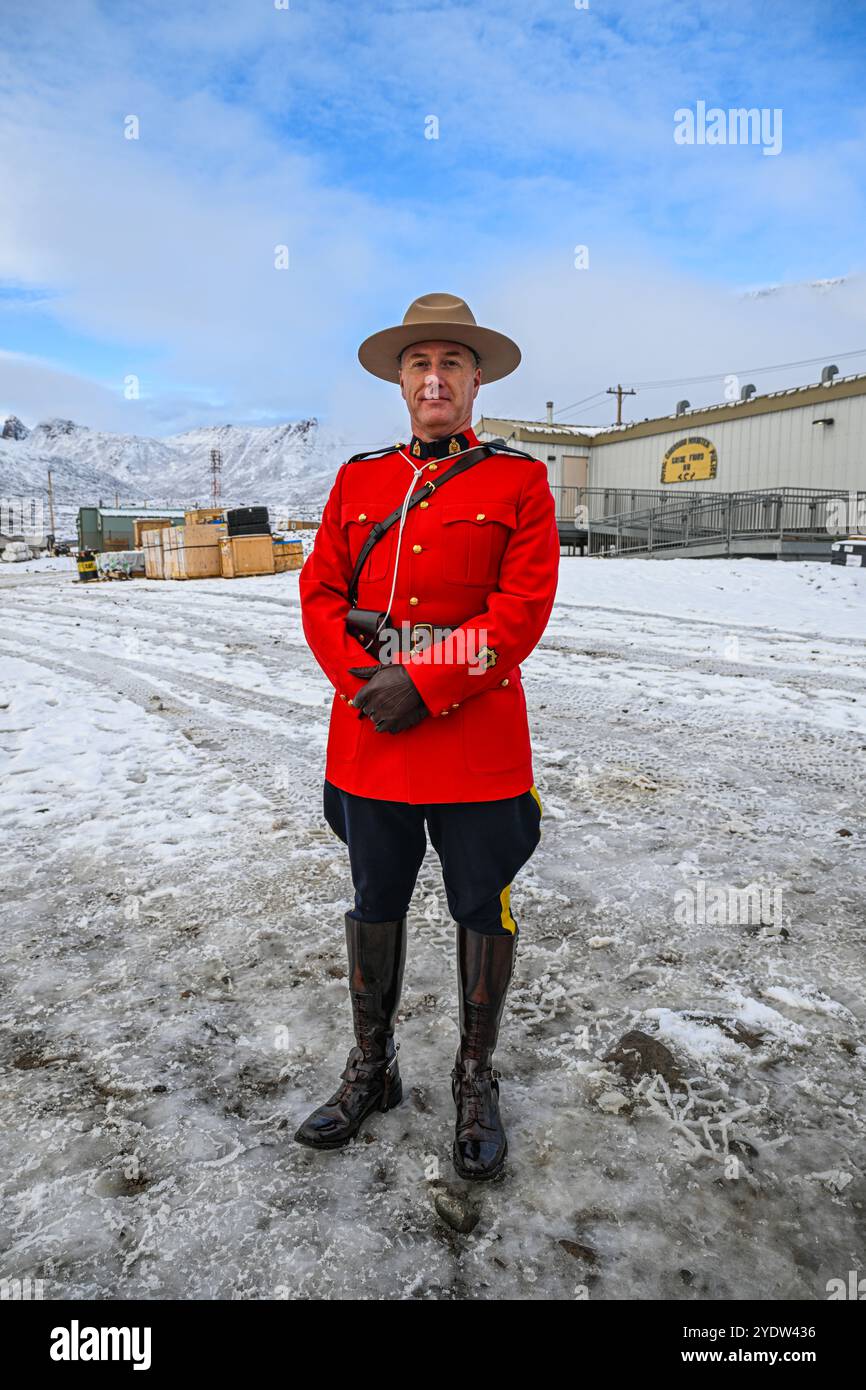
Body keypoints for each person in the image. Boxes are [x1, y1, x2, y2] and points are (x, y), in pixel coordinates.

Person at [295, 292, 560, 1180]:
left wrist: (428, 682)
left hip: (477, 745)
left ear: (476, 380)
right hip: (372, 737)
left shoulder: (518, 481)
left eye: (452, 363)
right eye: (420, 364)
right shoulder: (358, 479)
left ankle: (475, 1078)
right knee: (374, 905)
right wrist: (366, 683)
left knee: (481, 908)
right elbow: (320, 595)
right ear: (401, 381)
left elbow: (519, 612)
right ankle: (373, 1069)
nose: (435, 377)